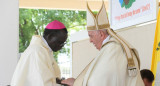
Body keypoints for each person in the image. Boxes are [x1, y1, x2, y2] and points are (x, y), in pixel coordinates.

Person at [61, 1, 144, 86]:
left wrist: (76, 83)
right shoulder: (115, 47)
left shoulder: (112, 49)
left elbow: (97, 82)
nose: (90, 40)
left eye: (91, 36)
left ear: (101, 34)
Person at [11, 20, 68, 86]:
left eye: (63, 43)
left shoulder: (46, 51)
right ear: (50, 36)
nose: (61, 46)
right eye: (60, 42)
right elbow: (42, 83)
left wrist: (62, 81)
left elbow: (50, 78)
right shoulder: (37, 51)